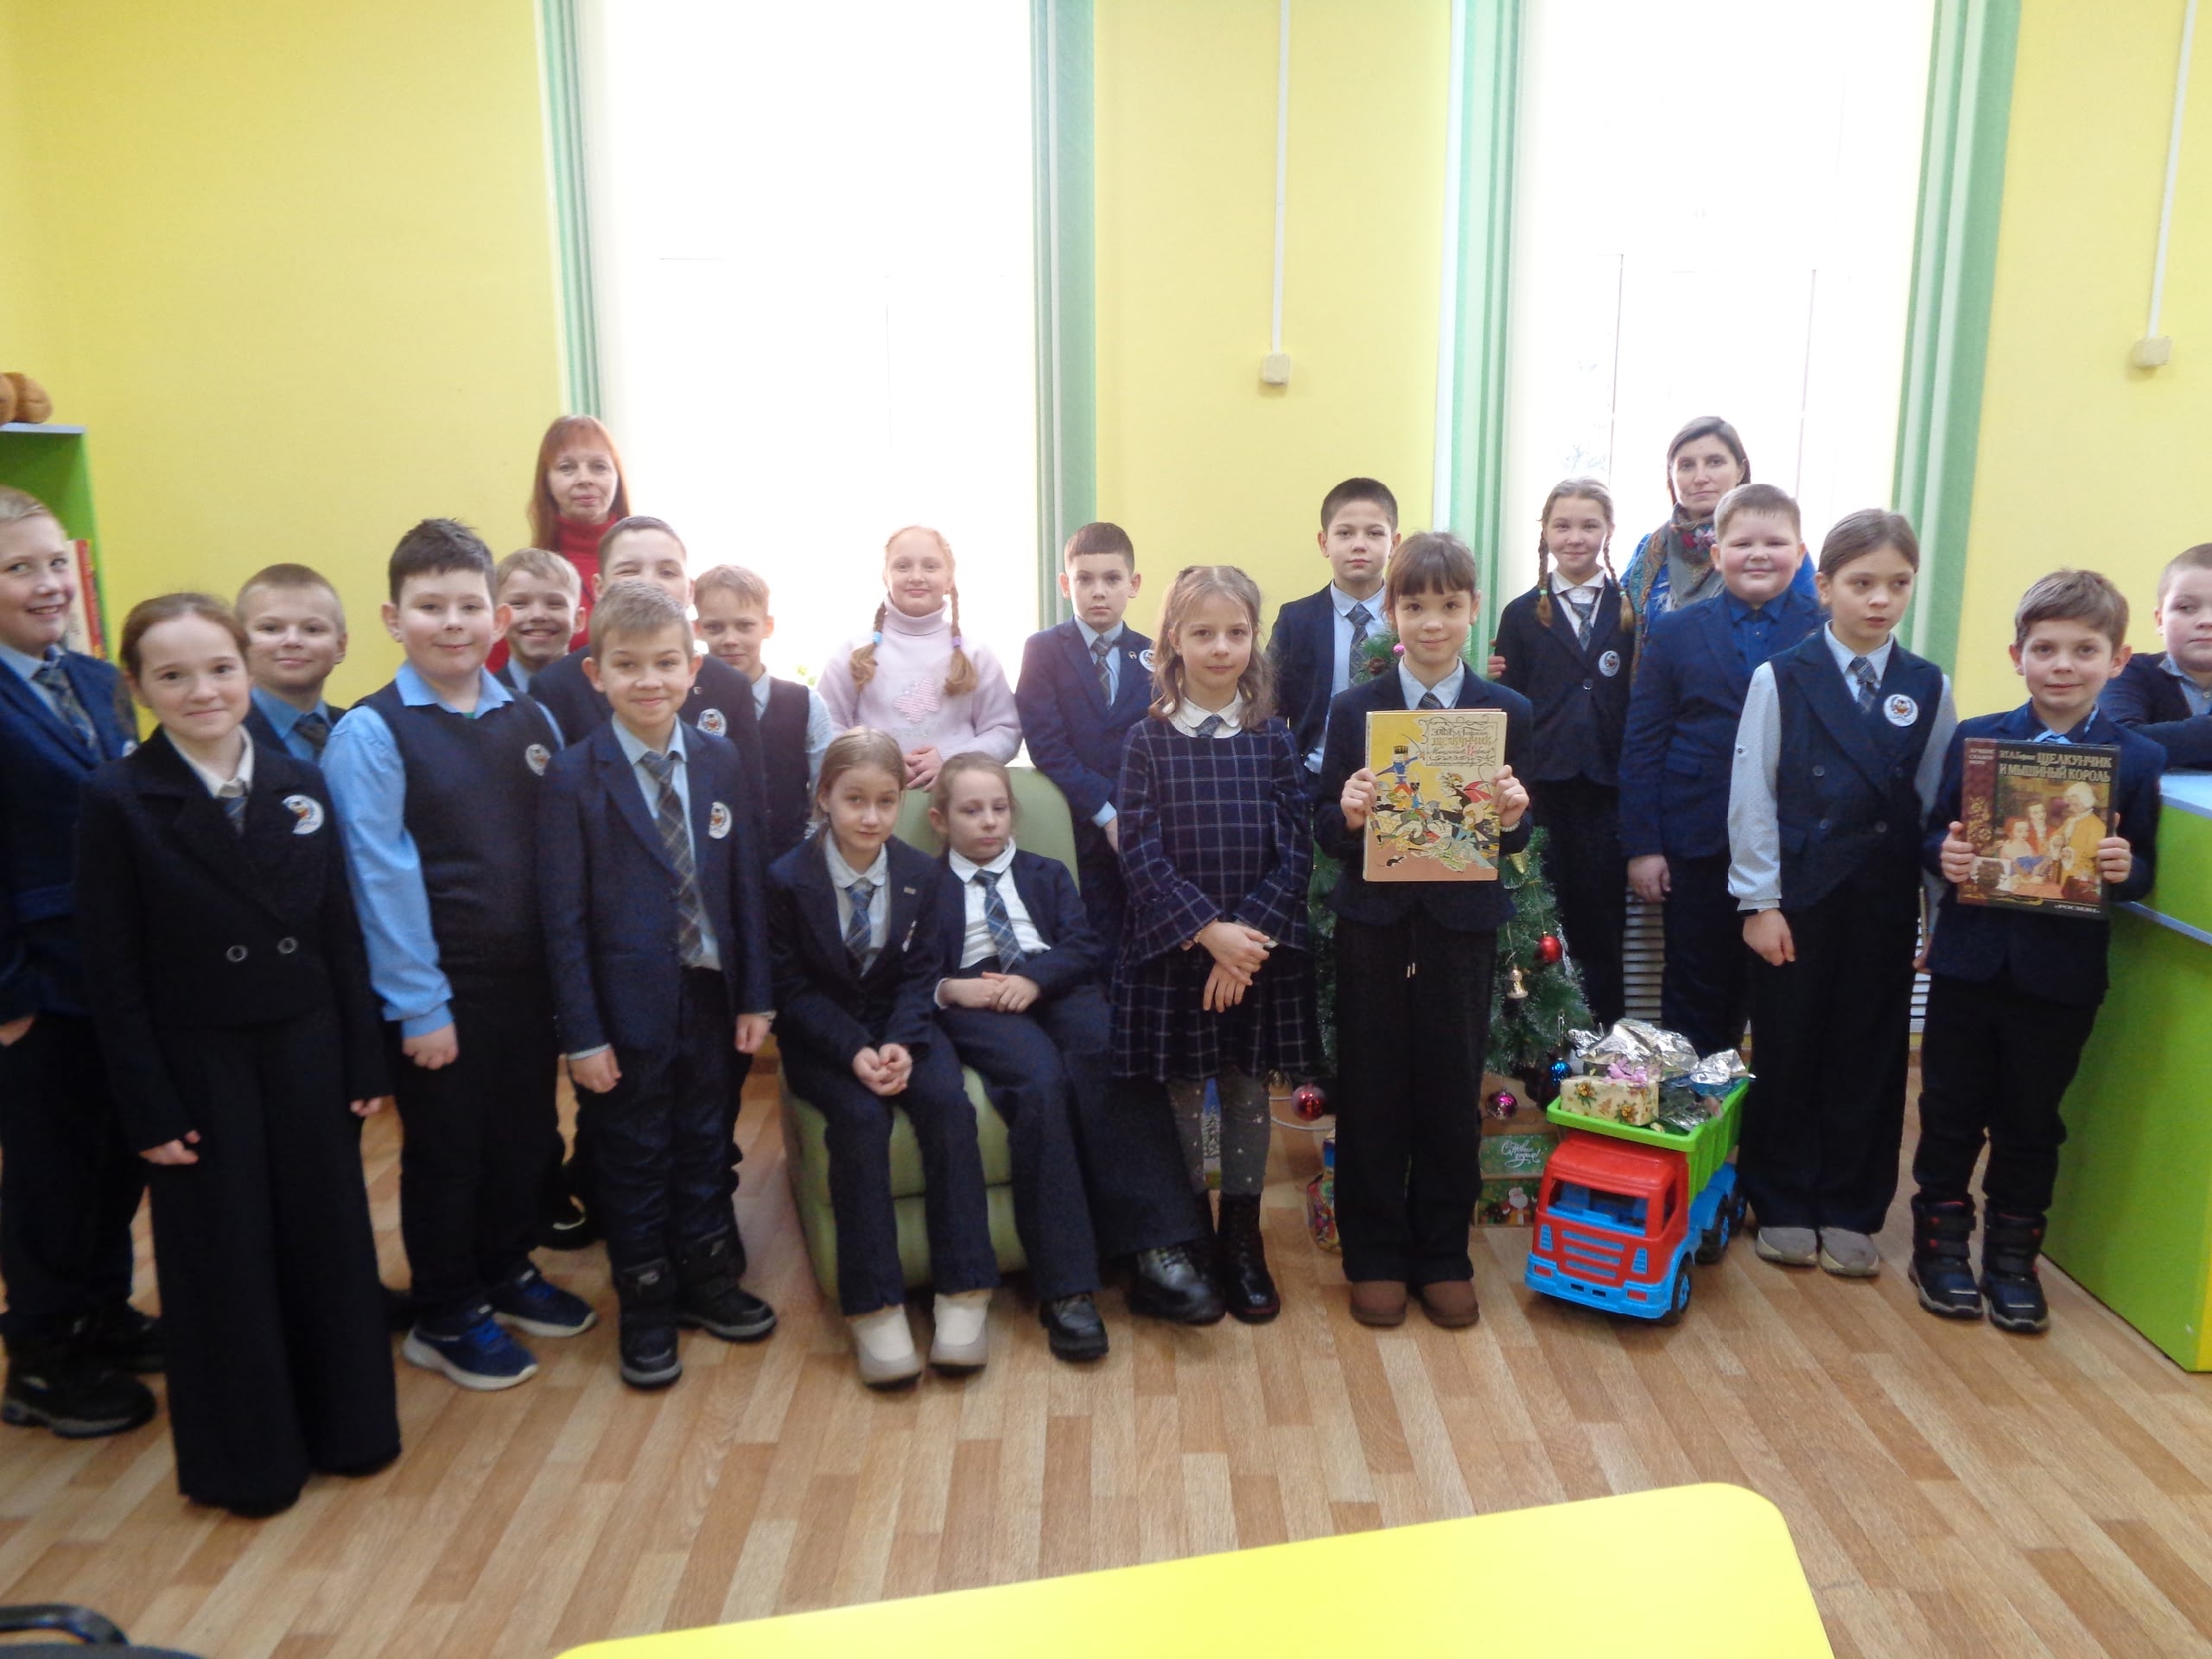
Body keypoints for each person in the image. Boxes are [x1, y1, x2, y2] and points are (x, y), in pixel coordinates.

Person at [74, 594, 398, 1516]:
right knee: (222, 1255)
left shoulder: (300, 781)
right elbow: (112, 972)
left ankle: (349, 1427)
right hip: (197, 1063)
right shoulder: (119, 798)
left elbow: (339, 929)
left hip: (305, 1045)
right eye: (173, 676)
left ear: (245, 670)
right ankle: (247, 1462)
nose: (203, 690)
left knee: (326, 1237)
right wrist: (146, 1105)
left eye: (219, 668)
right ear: (138, 688)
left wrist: (364, 1057)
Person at [323, 518, 595, 1391]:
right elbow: (378, 877)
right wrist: (419, 1004)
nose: (452, 623)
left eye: (469, 606)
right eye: (429, 606)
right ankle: (445, 1312)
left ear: (498, 617)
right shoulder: (371, 734)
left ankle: (504, 1269)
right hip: (442, 991)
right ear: (392, 619)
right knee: (450, 1153)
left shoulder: (530, 716)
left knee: (523, 1138)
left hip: (527, 984)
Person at [537, 582, 778, 1389]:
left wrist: (755, 993)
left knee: (706, 1140)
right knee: (633, 1154)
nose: (649, 680)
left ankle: (707, 1279)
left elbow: (743, 883)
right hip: (622, 1011)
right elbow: (563, 919)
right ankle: (645, 1302)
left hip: (711, 995)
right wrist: (582, 1035)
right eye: (629, 665)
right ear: (596, 673)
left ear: (692, 668)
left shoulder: (718, 759)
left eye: (666, 663)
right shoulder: (573, 777)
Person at [1909, 569, 2163, 1334]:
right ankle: (1938, 1249)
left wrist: (2123, 869)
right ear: (2017, 655)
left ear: (2117, 660)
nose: (2062, 665)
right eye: (2045, 648)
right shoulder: (1978, 739)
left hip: (2060, 978)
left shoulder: (2137, 758)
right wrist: (1945, 855)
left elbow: (2143, 871)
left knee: (2031, 1121)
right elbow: (1936, 831)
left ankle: (2013, 1259)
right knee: (1949, 1110)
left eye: (2084, 650)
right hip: (1969, 965)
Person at [925, 752, 1223, 1360]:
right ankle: (1066, 1287)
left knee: (1109, 1051)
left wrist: (1035, 980)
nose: (988, 821)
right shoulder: (923, 887)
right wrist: (950, 989)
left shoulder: (1046, 872)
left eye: (999, 808)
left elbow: (1083, 944)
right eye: (971, 810)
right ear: (940, 820)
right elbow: (913, 967)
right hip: (980, 999)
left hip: (1053, 981)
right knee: (1040, 1085)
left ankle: (1156, 1254)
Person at [1726, 509, 1955, 1276]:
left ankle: (1853, 1207)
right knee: (1787, 1047)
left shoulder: (1927, 685)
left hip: (1883, 900)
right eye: (1862, 584)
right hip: (1798, 898)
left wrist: (1939, 917)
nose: (1880, 600)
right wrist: (1759, 903)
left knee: (1871, 1052)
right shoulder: (1782, 676)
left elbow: (1937, 808)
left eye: (1898, 584)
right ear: (1823, 587)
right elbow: (1752, 795)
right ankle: (1782, 1200)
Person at [1317, 533, 1531, 1329]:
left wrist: (1515, 814)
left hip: (1460, 928)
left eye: (1448, 605)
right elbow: (1324, 828)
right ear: (1393, 613)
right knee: (1371, 1086)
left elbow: (1514, 834)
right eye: (1414, 605)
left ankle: (1443, 1253)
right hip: (1374, 925)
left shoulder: (1507, 712)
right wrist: (1347, 813)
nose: (1432, 622)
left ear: (1474, 609)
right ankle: (1374, 1253)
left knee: (1449, 1088)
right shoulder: (1356, 709)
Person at [1115, 564, 1318, 1322]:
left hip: (1255, 958)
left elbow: (1295, 848)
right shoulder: (1146, 741)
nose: (1221, 647)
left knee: (1244, 1090)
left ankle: (1241, 1241)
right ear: (1174, 638)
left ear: (1254, 638)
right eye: (1203, 632)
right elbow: (1139, 849)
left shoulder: (1273, 739)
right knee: (1178, 1093)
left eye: (1236, 632)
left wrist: (1245, 946)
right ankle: (1188, 1235)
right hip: (1177, 954)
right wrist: (1209, 934)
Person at [766, 729, 999, 1387]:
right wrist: (854, 1052)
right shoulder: (787, 880)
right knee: (861, 1122)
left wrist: (898, 1041)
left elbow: (922, 974)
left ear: (902, 802)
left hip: (904, 1027)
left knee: (948, 1107)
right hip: (825, 1036)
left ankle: (965, 1291)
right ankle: (875, 1306)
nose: (870, 817)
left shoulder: (923, 874)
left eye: (886, 801)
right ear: (824, 798)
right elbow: (791, 990)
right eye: (854, 800)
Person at [0, 487, 160, 1440]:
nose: (49, 583)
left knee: (113, 1157)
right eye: (19, 568)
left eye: (56, 561)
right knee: (51, 1176)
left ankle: (102, 1310)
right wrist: (8, 996)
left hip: (114, 975)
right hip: (37, 987)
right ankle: (43, 1354)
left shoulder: (100, 682)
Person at [1619, 482, 1824, 1060]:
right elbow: (1644, 743)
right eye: (1742, 544)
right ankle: (1692, 1107)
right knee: (1695, 985)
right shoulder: (1676, 631)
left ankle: (1768, 1113)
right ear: (1716, 554)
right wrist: (1643, 846)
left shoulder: (1825, 631)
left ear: (1800, 553)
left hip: (1792, 848)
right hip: (1697, 843)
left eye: (1774, 543)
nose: (1758, 554)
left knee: (1782, 988)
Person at [1491, 479, 1635, 1026]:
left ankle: (1607, 1042)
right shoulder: (1520, 613)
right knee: (1541, 921)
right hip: (1541, 790)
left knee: (1602, 921)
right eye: (1563, 526)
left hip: (1606, 789)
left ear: (1608, 531)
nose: (1576, 538)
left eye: (1589, 525)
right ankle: (1545, 1045)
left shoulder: (1629, 609)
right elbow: (1509, 705)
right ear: (1546, 533)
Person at [1016, 522, 1156, 944]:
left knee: (1142, 935)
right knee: (1086, 939)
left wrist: (1131, 813)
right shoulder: (1043, 650)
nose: (1099, 592)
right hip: (1074, 822)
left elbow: (1161, 743)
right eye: (1085, 579)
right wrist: (1106, 812)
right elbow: (1047, 746)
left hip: (1142, 823)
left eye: (1112, 579)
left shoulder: (1155, 655)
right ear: (1066, 584)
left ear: (1133, 584)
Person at [816, 526, 1020, 791]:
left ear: (949, 578)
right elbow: (825, 726)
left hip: (957, 806)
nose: (916, 577)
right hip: (873, 805)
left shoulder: (977, 654)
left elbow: (1005, 730)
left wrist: (952, 760)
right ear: (885, 576)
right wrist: (876, 761)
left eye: (930, 566)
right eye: (902, 566)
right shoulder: (853, 652)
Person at [1620, 416, 1813, 656]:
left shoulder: (1779, 553)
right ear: (1671, 475)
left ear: (1740, 470)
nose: (1700, 477)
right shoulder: (1650, 549)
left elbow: (1807, 636)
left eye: (1715, 462)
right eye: (1686, 465)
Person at [692, 563, 834, 862]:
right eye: (715, 627)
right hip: (711, 865)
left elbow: (825, 796)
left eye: (744, 626)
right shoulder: (684, 705)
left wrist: (803, 859)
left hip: (789, 862)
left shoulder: (806, 704)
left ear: (767, 626)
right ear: (697, 629)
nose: (730, 639)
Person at [1267, 478, 1402, 774]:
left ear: (1394, 543)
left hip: (1394, 778)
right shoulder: (1296, 620)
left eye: (1374, 533)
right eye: (1345, 533)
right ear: (1324, 543)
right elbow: (1270, 704)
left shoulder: (1409, 619)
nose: (1359, 544)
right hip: (1313, 777)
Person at [2100, 542, 2212, 769]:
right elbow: (2117, 746)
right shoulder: (2127, 671)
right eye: (2186, 608)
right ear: (2160, 620)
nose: (2206, 621)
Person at [524, 414, 632, 639]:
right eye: (567, 468)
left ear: (617, 477)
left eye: (599, 467)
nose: (584, 479)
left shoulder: (649, 562)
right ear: (546, 482)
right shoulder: (526, 577)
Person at [237, 563, 350, 763]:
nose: (292, 640)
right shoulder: (224, 735)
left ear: (340, 647)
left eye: (312, 629)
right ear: (239, 642)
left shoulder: (358, 730)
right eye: (270, 628)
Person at [491, 548, 582, 697]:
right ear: (497, 620)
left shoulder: (602, 694)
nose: (537, 615)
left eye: (554, 604)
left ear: (578, 619)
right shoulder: (483, 700)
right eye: (519, 604)